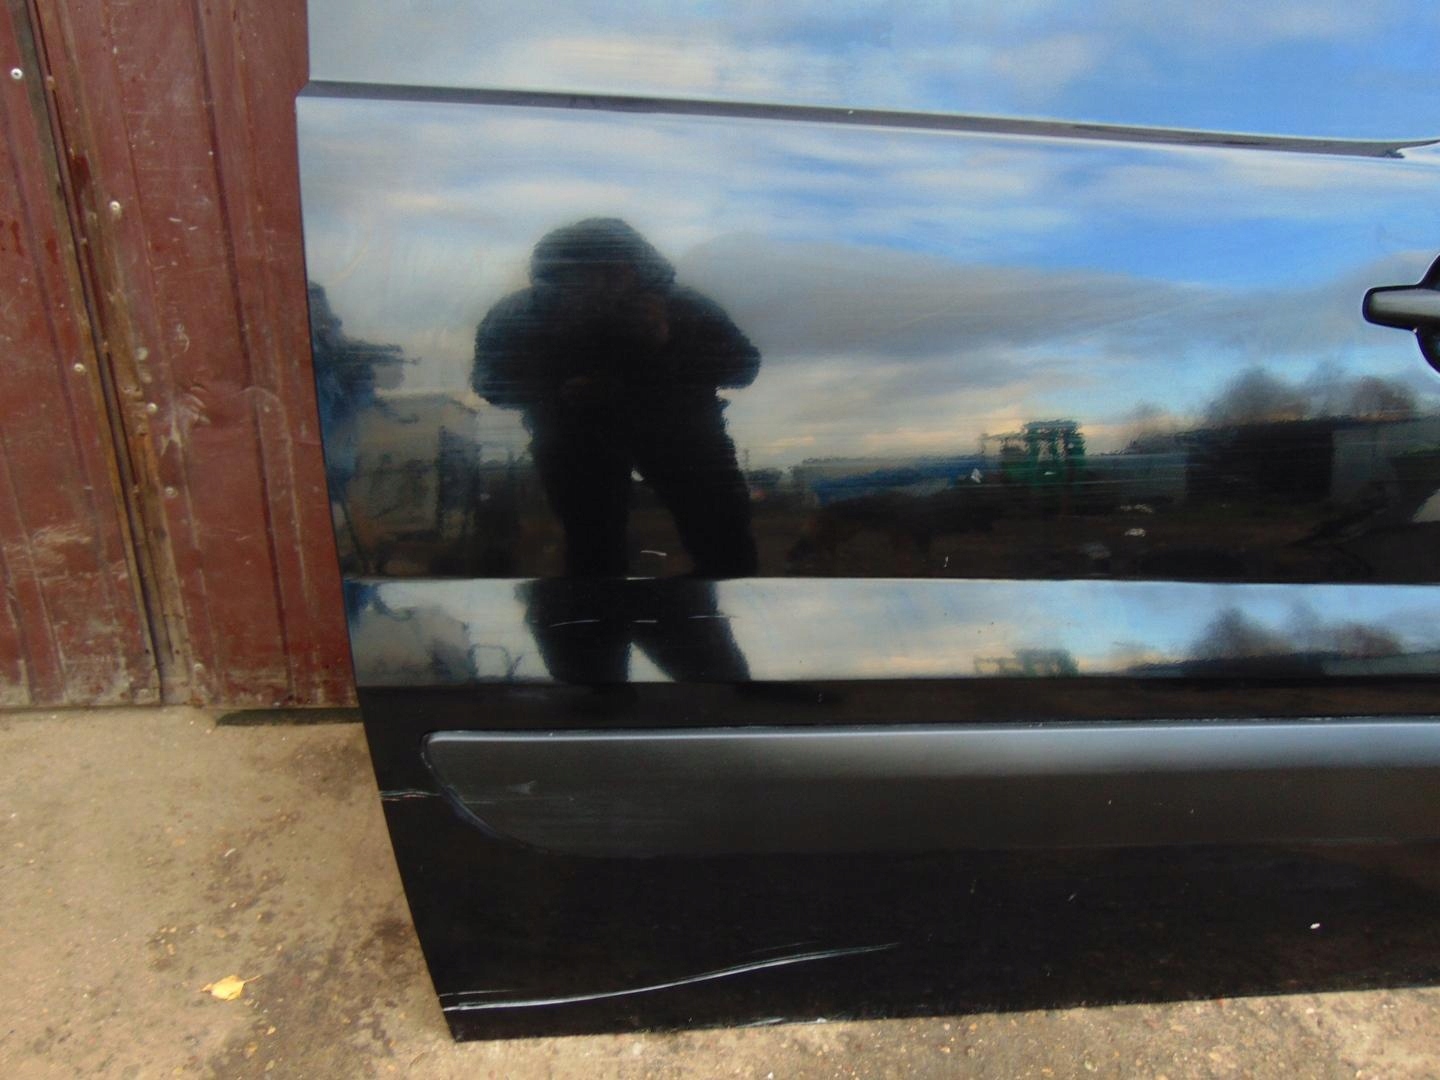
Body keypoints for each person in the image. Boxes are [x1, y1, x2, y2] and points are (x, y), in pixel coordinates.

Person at [472, 218, 760, 578]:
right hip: (577, 443)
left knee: (722, 541)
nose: (605, 287)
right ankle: (593, 609)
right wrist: (556, 392)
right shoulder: (521, 317)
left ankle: (705, 599)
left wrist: (665, 341)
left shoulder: (682, 308)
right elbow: (489, 380)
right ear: (557, 278)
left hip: (682, 438)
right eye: (588, 274)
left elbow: (743, 366)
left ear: (638, 269)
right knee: (592, 548)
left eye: (617, 272)